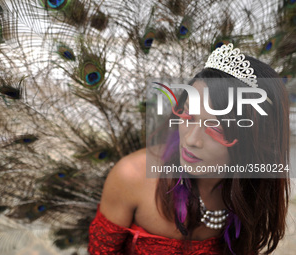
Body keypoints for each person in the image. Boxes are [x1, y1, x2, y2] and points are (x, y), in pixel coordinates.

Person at [88, 44, 290, 254]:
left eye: (215, 128)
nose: (192, 140)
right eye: (188, 116)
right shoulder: (132, 176)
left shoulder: (252, 191)